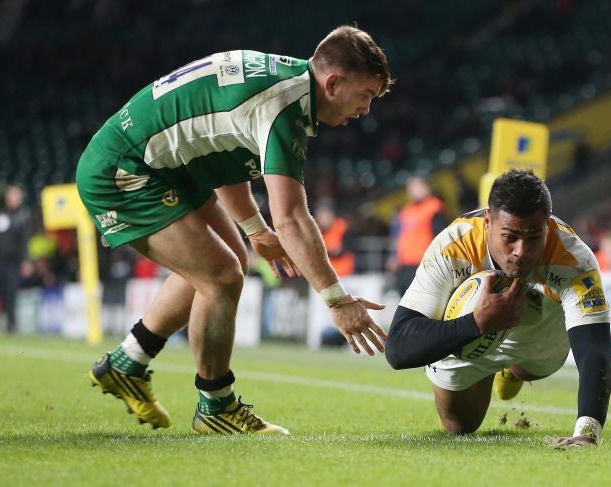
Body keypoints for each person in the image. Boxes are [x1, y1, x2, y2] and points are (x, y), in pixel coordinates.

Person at [76, 25, 393, 435]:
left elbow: (225, 153)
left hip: (166, 167)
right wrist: (337, 300)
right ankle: (216, 405)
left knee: (230, 259)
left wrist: (255, 231)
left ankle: (127, 363)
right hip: (125, 171)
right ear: (332, 83)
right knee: (220, 275)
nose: (366, 109)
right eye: (365, 95)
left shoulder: (284, 82)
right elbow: (293, 219)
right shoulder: (284, 106)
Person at [385, 169, 611, 447]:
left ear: (548, 226)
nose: (521, 251)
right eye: (510, 236)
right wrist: (476, 323)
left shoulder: (573, 258)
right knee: (459, 426)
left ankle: (512, 369)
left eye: (533, 237)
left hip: (537, 330)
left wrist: (587, 433)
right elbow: (398, 349)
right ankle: (487, 357)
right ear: (488, 222)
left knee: (534, 368)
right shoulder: (453, 246)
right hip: (472, 324)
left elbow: (595, 353)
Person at [0, 185, 32, 332]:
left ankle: (11, 324)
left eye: (19, 196)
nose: (16, 199)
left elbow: (25, 240)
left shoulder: (23, 216)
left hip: (12, 261)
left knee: (11, 294)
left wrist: (26, 260)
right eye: (14, 195)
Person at [386, 175, 448, 295]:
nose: (413, 191)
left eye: (416, 187)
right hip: (405, 265)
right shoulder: (407, 210)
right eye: (410, 189)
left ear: (426, 188)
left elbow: (441, 236)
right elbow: (400, 236)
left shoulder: (434, 207)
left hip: (425, 264)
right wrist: (395, 256)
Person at [315, 201, 355, 277]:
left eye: (325, 215)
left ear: (332, 215)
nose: (323, 219)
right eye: (321, 216)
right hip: (324, 275)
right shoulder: (315, 230)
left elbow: (342, 249)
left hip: (344, 274)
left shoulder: (342, 226)